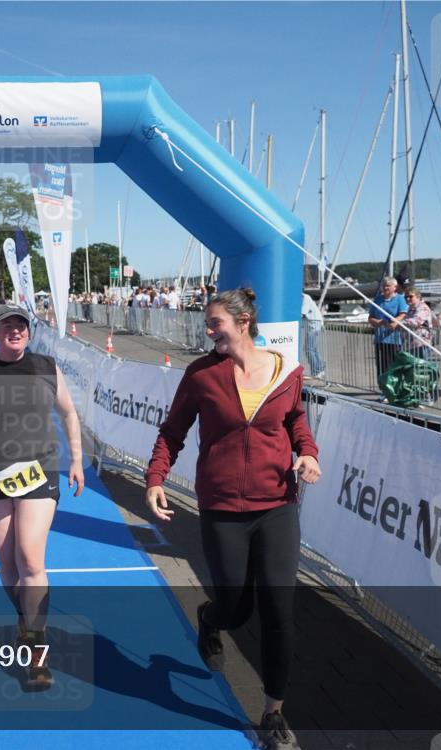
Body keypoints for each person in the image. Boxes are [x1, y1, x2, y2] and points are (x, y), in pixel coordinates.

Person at [144, 288, 321, 750]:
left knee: (279, 610)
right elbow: (173, 431)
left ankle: (273, 713)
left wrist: (308, 453)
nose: (208, 331)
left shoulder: (286, 370)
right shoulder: (202, 375)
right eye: (208, 323)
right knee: (236, 608)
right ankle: (210, 617)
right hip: (222, 508)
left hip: (277, 504)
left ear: (243, 323)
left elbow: (296, 421)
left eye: (215, 323)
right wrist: (156, 477)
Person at [0, 304, 85, 690]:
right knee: (8, 565)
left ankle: (38, 653)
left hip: (38, 472)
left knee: (30, 558)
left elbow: (69, 414)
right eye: (6, 324)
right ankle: (27, 619)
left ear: (29, 331)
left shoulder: (46, 367)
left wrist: (76, 459)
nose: (15, 330)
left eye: (21, 324)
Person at [400, 287, 441, 406]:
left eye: (411, 296)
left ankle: (430, 394)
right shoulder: (410, 309)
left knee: (423, 371)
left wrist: (398, 322)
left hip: (422, 344)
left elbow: (417, 321)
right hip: (411, 344)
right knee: (415, 371)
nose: (408, 299)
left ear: (418, 296)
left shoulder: (422, 308)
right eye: (406, 297)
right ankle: (419, 394)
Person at [368, 277, 408, 394]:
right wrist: (379, 322)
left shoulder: (400, 299)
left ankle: (394, 389)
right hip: (380, 338)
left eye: (388, 285)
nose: (385, 287)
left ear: (394, 287)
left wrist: (394, 322)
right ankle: (384, 389)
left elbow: (403, 314)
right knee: (381, 365)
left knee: (393, 365)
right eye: (384, 285)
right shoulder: (378, 299)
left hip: (394, 338)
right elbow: (371, 317)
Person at [300, 292, 326, 379]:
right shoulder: (305, 298)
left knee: (308, 350)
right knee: (313, 349)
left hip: (314, 326)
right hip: (314, 326)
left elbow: (302, 313)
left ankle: (316, 371)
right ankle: (320, 369)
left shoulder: (306, 298)